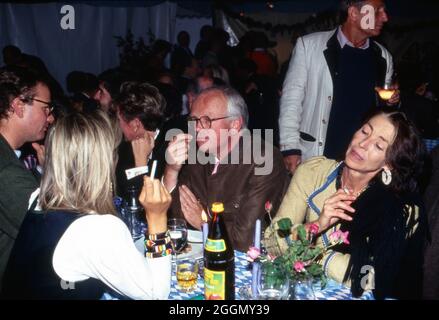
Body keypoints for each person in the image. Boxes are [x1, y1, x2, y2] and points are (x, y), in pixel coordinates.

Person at [1, 111, 172, 299]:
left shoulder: (39, 198)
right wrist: (157, 219)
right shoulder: (94, 229)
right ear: (104, 161)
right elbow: (156, 295)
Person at [265, 107, 427, 299]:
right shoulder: (313, 173)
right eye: (365, 131)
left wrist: (313, 255)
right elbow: (270, 242)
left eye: (379, 146)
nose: (363, 144)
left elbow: (371, 280)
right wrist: (316, 226)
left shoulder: (400, 211)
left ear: (389, 164)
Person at [163, 86, 289, 252]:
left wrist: (203, 223)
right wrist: (171, 171)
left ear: (235, 124)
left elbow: (245, 242)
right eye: (193, 120)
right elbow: (176, 220)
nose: (197, 129)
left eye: (206, 120)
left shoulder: (264, 160)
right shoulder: (197, 155)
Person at [279, 0, 399, 174]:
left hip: (361, 159)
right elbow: (291, 100)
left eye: (385, 11)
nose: (385, 17)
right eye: (377, 11)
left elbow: (381, 110)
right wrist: (290, 147)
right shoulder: (309, 46)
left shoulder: (383, 57)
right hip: (318, 154)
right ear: (353, 13)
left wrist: (391, 103)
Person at [0, 66, 54, 287]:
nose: (50, 118)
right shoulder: (6, 171)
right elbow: (50, 233)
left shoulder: (11, 158)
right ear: (19, 106)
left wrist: (42, 171)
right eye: (47, 109)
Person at [115, 82, 167, 199]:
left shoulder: (169, 151)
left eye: (119, 120)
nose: (118, 125)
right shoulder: (123, 149)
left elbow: (146, 206)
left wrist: (140, 165)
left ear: (135, 124)